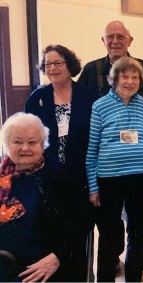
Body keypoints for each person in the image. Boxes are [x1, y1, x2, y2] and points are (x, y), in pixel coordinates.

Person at [77, 20, 143, 273]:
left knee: (138, 231)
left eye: (135, 77)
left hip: (140, 177)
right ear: (115, 78)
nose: (130, 81)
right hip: (109, 177)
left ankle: (134, 271)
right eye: (125, 76)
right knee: (110, 235)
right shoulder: (97, 98)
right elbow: (92, 148)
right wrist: (93, 185)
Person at [25, 45, 97, 282]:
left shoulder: (88, 97)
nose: (53, 68)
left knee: (79, 230)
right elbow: (30, 138)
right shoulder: (37, 99)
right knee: (53, 233)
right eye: (48, 64)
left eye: (58, 63)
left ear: (70, 65)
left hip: (81, 177)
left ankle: (81, 274)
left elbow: (96, 139)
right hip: (48, 179)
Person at [0, 113, 64, 282]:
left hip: (37, 268)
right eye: (17, 142)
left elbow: (76, 223)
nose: (25, 148)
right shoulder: (2, 174)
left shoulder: (56, 175)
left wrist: (57, 256)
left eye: (32, 142)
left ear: (43, 145)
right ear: (7, 145)